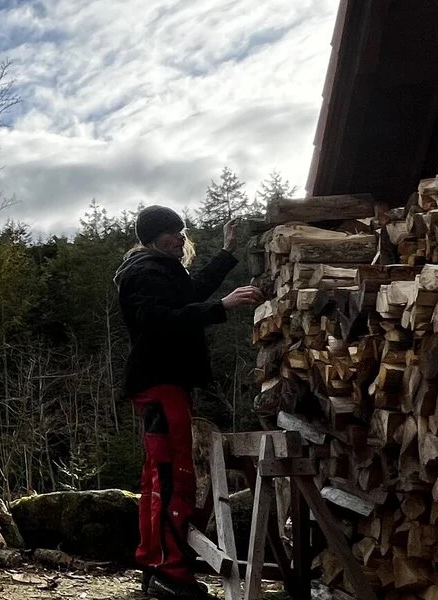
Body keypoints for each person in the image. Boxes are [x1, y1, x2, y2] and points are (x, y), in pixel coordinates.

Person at [113, 206, 261, 600]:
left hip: (165, 384)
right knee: (173, 478)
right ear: (151, 238)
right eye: (171, 232)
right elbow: (159, 320)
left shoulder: (160, 269)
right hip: (158, 383)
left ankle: (154, 565)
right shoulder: (144, 272)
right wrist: (223, 307)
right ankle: (172, 575)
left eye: (181, 230)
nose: (180, 238)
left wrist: (227, 254)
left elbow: (190, 294)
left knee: (158, 478)